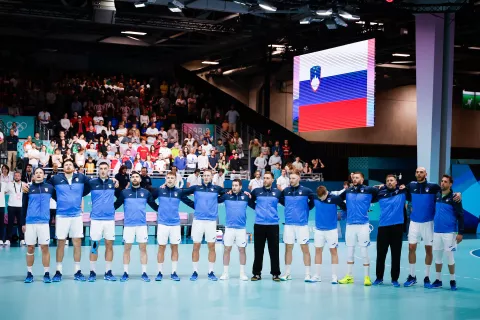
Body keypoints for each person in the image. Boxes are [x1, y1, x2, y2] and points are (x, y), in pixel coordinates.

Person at [402, 167, 461, 288]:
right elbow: (401, 190)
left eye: (421, 172)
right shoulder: (411, 185)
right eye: (417, 172)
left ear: (426, 174)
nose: (419, 174)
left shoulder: (434, 187)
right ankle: (412, 276)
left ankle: (426, 277)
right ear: (415, 173)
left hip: (428, 223)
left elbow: (447, 190)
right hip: (414, 222)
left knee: (429, 250)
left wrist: (458, 194)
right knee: (411, 247)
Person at [44, 159, 91, 282]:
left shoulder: (81, 177)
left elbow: (92, 184)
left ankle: (77, 271)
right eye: (66, 165)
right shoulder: (56, 178)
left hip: (76, 215)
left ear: (74, 167)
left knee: (77, 243)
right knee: (60, 243)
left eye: (70, 164)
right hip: (62, 215)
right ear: (63, 167)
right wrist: (58, 197)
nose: (68, 166)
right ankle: (58, 271)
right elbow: (47, 187)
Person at [114, 171, 159, 282]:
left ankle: (144, 273)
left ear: (140, 179)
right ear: (130, 179)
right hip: (128, 225)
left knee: (143, 249)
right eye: (133, 177)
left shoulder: (146, 193)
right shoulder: (124, 193)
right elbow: (115, 205)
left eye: (136, 177)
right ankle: (125, 273)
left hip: (142, 226)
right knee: (126, 249)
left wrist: (165, 210)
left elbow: (154, 206)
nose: (134, 178)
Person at [182, 170, 225, 281]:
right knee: (196, 246)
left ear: (211, 177)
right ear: (202, 177)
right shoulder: (196, 187)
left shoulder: (216, 189)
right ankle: (195, 271)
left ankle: (211, 272)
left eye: (208, 176)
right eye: (204, 175)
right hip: (198, 221)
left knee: (212, 246)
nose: (206, 177)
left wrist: (216, 202)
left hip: (211, 221)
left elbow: (227, 195)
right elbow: (182, 194)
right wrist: (194, 205)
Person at [338, 172, 378, 286]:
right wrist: (344, 207)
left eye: (357, 178)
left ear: (362, 179)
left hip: (363, 225)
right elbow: (338, 199)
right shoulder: (348, 191)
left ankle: (367, 277)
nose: (355, 179)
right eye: (353, 177)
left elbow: (378, 195)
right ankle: (349, 276)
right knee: (350, 251)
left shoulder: (369, 190)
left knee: (364, 252)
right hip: (350, 225)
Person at [152, 172, 193, 281]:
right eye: (168, 178)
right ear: (165, 179)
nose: (170, 180)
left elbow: (189, 202)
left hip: (175, 224)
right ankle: (159, 272)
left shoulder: (179, 192)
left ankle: (173, 272)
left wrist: (201, 208)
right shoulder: (160, 190)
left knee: (174, 247)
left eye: (172, 178)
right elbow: (150, 199)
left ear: (175, 180)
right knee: (161, 247)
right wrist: (157, 209)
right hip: (162, 224)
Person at [280, 170, 315, 282]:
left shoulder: (306, 191)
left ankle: (308, 274)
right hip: (289, 224)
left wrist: (306, 209)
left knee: (305, 248)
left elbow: (313, 201)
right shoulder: (286, 191)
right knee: (288, 248)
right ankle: (287, 273)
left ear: (299, 178)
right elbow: (282, 201)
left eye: (294, 178)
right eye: (290, 178)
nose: (291, 180)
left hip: (302, 225)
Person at [21, 168, 55, 283]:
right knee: (30, 248)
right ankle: (29, 273)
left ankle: (46, 273)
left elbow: (60, 197)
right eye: (37, 173)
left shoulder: (50, 188)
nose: (39, 174)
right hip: (30, 222)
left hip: (44, 223)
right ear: (33, 176)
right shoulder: (28, 189)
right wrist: (23, 223)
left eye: (41, 172)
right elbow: (24, 206)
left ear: (44, 175)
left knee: (45, 248)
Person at [429, 174, 463, 291]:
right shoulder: (437, 195)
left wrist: (460, 232)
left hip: (450, 232)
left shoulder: (455, 198)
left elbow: (460, 216)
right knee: (437, 257)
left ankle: (452, 280)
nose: (442, 183)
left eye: (445, 182)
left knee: (450, 257)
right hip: (437, 231)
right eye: (442, 181)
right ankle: (438, 280)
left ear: (450, 184)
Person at [372, 175, 407, 287]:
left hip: (397, 227)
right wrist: (378, 188)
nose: (389, 182)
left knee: (396, 255)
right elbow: (369, 196)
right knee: (381, 254)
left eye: (391, 180)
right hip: (383, 227)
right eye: (387, 181)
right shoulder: (380, 193)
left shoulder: (402, 191)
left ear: (396, 182)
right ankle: (379, 278)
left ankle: (395, 279)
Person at [248, 171, 283, 281]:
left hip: (273, 225)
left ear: (272, 180)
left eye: (268, 178)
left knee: (274, 250)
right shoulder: (256, 191)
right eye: (264, 178)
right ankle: (257, 273)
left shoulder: (277, 192)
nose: (265, 180)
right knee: (258, 250)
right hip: (259, 224)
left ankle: (275, 273)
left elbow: (285, 202)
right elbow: (250, 202)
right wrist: (258, 209)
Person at [88, 163, 118, 282]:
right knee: (94, 246)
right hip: (96, 219)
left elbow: (121, 197)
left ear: (108, 171)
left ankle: (108, 272)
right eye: (101, 169)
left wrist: (112, 208)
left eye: (105, 169)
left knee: (109, 245)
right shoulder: (92, 183)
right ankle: (92, 272)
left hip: (109, 219)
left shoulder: (113, 183)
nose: (103, 171)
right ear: (98, 170)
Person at [313, 186, 346, 283]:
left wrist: (341, 216)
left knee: (333, 251)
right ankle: (317, 276)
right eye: (319, 198)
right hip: (319, 230)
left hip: (331, 230)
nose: (320, 199)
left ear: (326, 193)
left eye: (322, 197)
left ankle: (334, 277)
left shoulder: (335, 198)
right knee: (318, 251)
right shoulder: (315, 197)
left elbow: (345, 208)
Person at [219, 179, 249, 281]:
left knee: (242, 250)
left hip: (241, 228)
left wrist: (249, 194)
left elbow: (254, 200)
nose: (234, 187)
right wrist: (224, 191)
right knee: (227, 249)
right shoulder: (227, 196)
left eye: (236, 185)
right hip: (229, 228)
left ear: (240, 186)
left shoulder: (245, 197)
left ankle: (242, 273)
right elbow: (217, 198)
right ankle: (225, 273)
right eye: (233, 185)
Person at [5, 171, 25, 246]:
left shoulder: (24, 184)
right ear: (14, 177)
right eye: (15, 176)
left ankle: (22, 239)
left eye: (18, 176)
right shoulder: (9, 184)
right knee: (10, 223)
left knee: (21, 223)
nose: (17, 177)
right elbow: (4, 192)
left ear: (20, 176)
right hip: (11, 206)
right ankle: (8, 239)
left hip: (21, 207)